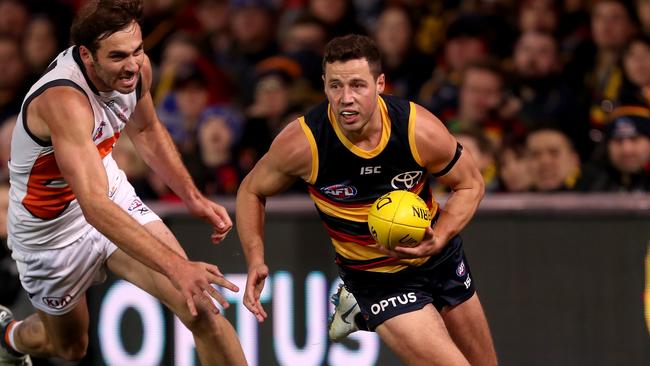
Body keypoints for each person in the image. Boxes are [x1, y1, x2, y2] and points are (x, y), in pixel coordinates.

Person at [0, 1, 247, 365]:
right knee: (69, 347)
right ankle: (10, 338)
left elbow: (146, 130)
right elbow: (94, 207)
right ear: (87, 55)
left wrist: (191, 196)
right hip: (49, 231)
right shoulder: (64, 100)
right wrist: (178, 267)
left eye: (138, 50)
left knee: (199, 307)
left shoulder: (136, 68)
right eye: (117, 56)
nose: (132, 65)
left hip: (107, 193)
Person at [236, 34, 497, 366]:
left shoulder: (417, 130)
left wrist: (441, 236)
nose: (346, 98)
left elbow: (471, 184)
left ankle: (353, 309)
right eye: (335, 86)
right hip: (377, 278)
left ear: (380, 84)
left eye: (358, 85)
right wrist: (255, 257)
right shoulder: (305, 143)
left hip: (441, 259)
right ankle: (359, 303)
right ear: (324, 86)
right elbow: (250, 190)